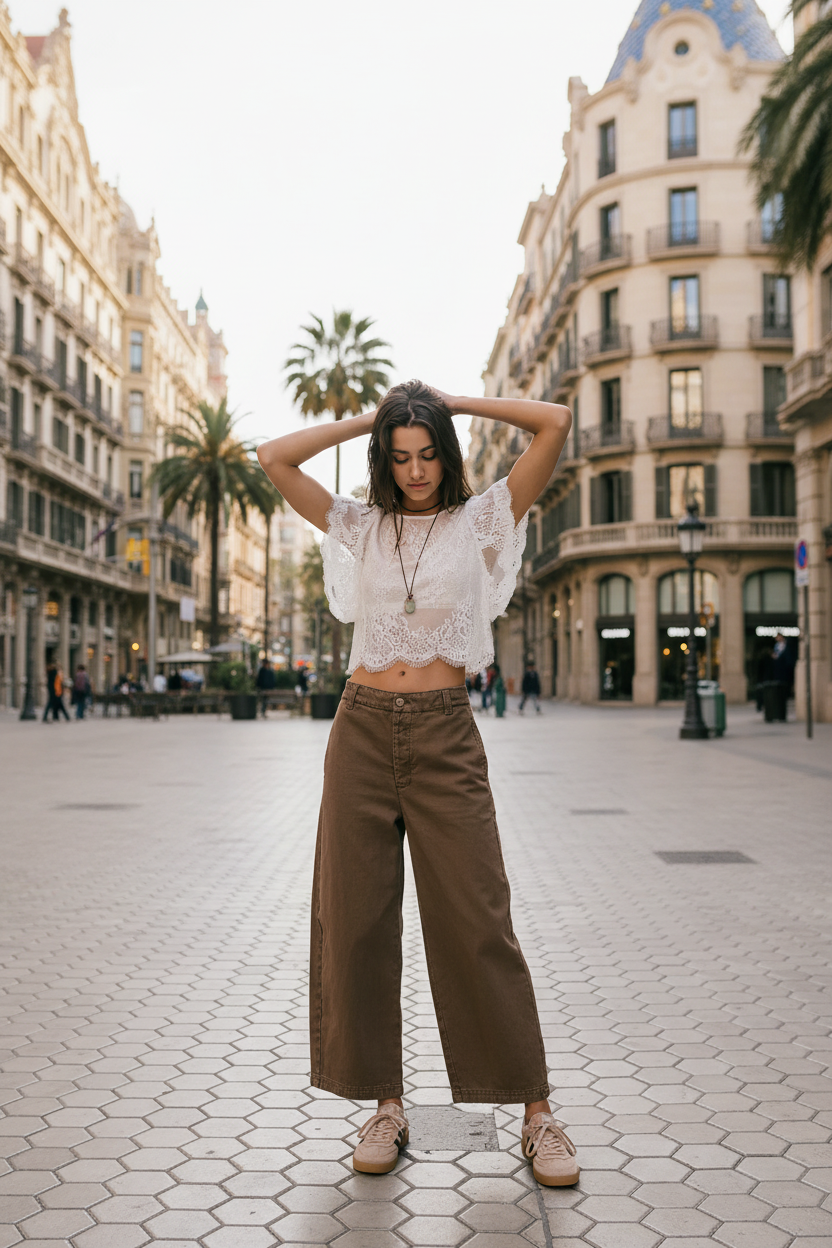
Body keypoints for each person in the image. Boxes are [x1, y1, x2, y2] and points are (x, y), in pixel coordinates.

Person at [257, 380, 578, 1188]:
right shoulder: (359, 525)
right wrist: (378, 414)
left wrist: (457, 404)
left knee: (479, 918)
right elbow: (272, 457)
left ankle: (537, 1115)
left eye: (428, 451)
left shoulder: (481, 520)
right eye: (399, 456)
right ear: (383, 458)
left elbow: (556, 423)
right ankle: (386, 1106)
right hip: (360, 727)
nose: (416, 468)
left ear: (447, 451)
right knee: (357, 922)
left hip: (444, 732)